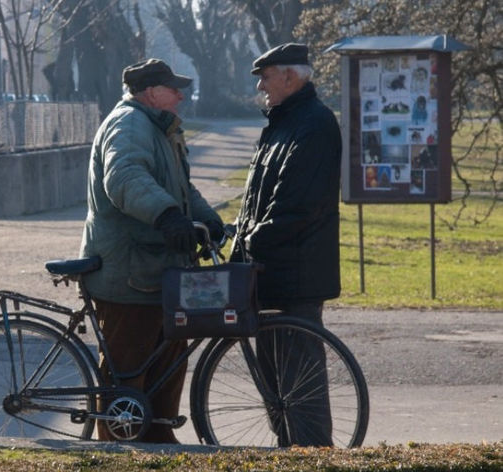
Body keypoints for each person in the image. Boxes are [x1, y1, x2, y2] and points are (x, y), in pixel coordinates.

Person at [79, 58, 224, 443]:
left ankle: (159, 436)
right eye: (173, 88)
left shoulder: (159, 128)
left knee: (168, 357)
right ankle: (117, 447)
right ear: (150, 93)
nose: (181, 95)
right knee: (128, 366)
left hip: (158, 270)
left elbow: (182, 189)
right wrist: (166, 217)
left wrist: (209, 221)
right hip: (129, 272)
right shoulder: (129, 125)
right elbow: (124, 178)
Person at [231, 43, 342, 446]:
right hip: (270, 273)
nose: (260, 85)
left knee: (299, 387)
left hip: (297, 275)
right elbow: (258, 199)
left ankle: (311, 455)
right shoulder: (282, 123)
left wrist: (250, 238)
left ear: (290, 77)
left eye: (265, 76)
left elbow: (297, 205)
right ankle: (289, 451)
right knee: (277, 387)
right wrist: (239, 234)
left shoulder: (313, 124)